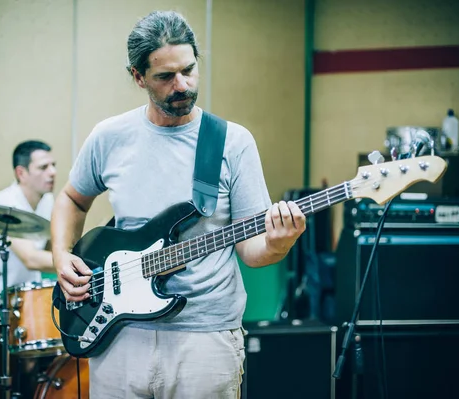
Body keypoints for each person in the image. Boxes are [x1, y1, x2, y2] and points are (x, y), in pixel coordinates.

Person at [51, 10, 305, 398]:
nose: (182, 84)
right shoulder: (109, 136)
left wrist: (278, 243)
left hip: (205, 340)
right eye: (165, 77)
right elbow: (71, 198)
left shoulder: (232, 142)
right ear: (138, 77)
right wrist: (61, 253)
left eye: (189, 70)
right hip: (117, 334)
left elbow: (252, 252)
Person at [0, 140, 57, 317]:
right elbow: (31, 259)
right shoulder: (4, 204)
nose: (53, 172)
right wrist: (75, 262)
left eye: (53, 165)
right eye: (43, 167)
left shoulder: (47, 200)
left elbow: (51, 250)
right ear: (21, 173)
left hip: (28, 296)